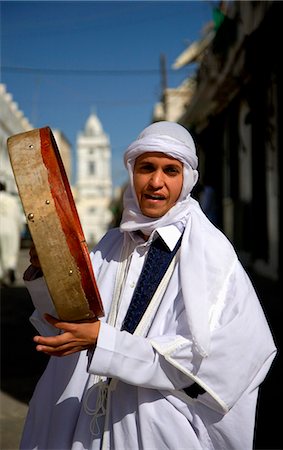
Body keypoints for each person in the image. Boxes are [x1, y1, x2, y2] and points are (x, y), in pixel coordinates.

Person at [20, 121, 276, 450]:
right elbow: (67, 320)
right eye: (147, 168)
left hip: (153, 431)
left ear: (187, 180)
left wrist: (104, 343)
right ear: (132, 172)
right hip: (82, 426)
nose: (156, 182)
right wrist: (46, 274)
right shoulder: (111, 244)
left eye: (170, 170)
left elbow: (212, 361)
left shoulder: (211, 256)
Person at [0, 181, 25, 286]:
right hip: (11, 229)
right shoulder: (12, 200)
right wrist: (20, 229)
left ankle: (1, 274)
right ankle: (10, 267)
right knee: (10, 251)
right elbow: (18, 217)